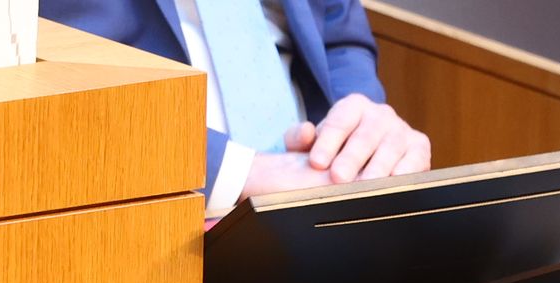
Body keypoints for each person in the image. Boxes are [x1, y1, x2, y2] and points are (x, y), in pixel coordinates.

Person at [43, 0, 428, 212]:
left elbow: (336, 28)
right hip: (139, 216)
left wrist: (358, 130)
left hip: (321, 191)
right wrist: (232, 172)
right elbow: (24, 72)